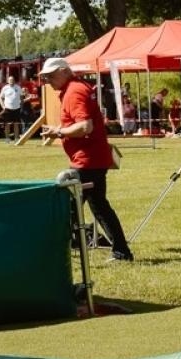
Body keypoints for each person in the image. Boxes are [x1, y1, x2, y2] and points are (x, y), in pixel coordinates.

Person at [39, 57, 134, 262]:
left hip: (87, 160)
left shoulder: (74, 91)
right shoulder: (76, 88)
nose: (48, 80)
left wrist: (59, 131)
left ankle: (59, 250)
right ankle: (120, 251)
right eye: (45, 77)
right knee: (98, 206)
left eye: (51, 75)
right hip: (92, 158)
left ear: (64, 71)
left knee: (68, 206)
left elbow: (85, 127)